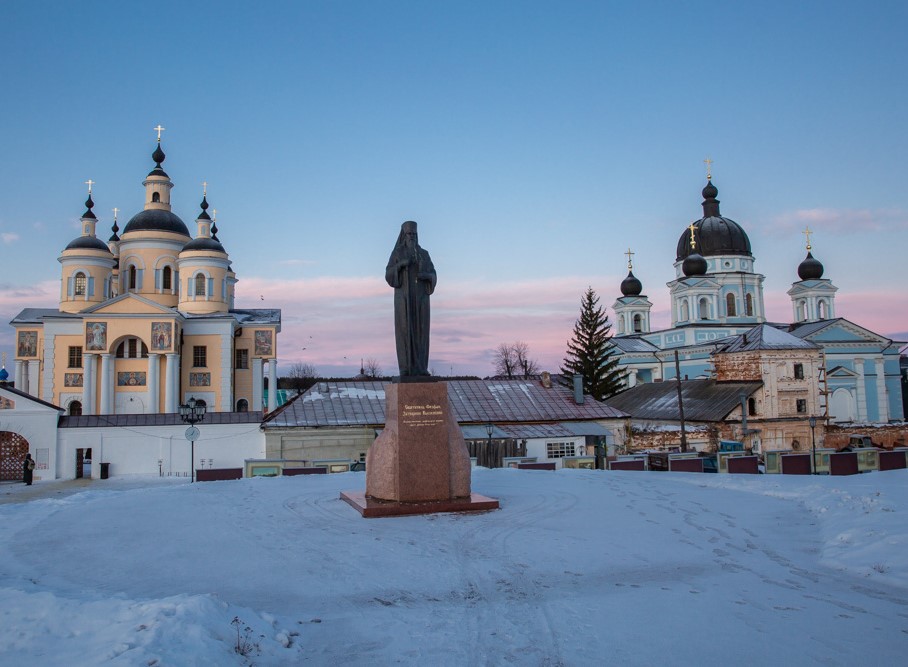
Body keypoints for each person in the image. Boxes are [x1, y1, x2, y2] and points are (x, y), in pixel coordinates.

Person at [385, 221, 436, 377]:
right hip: (404, 299)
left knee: (421, 331)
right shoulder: (397, 253)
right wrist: (400, 265)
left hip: (421, 300)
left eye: (414, 234)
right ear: (404, 235)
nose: (412, 237)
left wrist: (426, 276)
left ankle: (421, 367)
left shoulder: (424, 254)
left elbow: (434, 275)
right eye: (409, 234)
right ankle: (405, 367)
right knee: (405, 330)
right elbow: (388, 274)